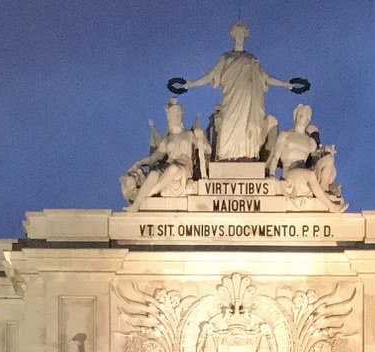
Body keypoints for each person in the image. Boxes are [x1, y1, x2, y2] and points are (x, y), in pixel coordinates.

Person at [177, 22, 300, 161]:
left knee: (247, 125)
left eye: (242, 34)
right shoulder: (226, 57)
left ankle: (246, 155)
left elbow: (266, 77)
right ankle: (226, 156)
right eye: (237, 34)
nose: (239, 37)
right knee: (227, 125)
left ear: (245, 36)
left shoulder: (251, 59)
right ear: (233, 36)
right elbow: (211, 75)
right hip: (231, 98)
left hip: (248, 99)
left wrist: (285, 84)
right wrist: (192, 83)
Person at [123, 99, 210, 211]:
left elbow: (208, 149)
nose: (177, 117)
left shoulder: (189, 135)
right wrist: (139, 162)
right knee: (154, 173)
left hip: (184, 168)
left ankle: (145, 196)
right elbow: (153, 158)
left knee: (173, 168)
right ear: (169, 117)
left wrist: (201, 137)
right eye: (175, 115)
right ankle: (136, 205)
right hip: (168, 167)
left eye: (179, 114)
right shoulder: (167, 140)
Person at [266, 103, 345, 212]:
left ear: (308, 119)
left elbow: (316, 160)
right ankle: (331, 207)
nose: (302, 116)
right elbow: (275, 156)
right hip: (290, 173)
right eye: (300, 114)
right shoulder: (285, 135)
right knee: (310, 175)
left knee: (329, 159)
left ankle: (321, 191)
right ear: (295, 116)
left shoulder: (311, 142)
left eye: (305, 115)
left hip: (305, 172)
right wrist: (271, 174)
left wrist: (327, 152)